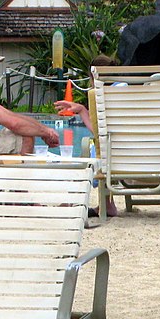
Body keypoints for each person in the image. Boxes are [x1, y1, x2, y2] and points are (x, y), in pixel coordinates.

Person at [55, 55, 119, 217]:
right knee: (100, 146)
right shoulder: (127, 91)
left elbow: (101, 133)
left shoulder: (103, 95)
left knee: (92, 149)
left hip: (114, 157)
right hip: (144, 156)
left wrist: (82, 111)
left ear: (94, 76)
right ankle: (108, 205)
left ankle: (69, 202)